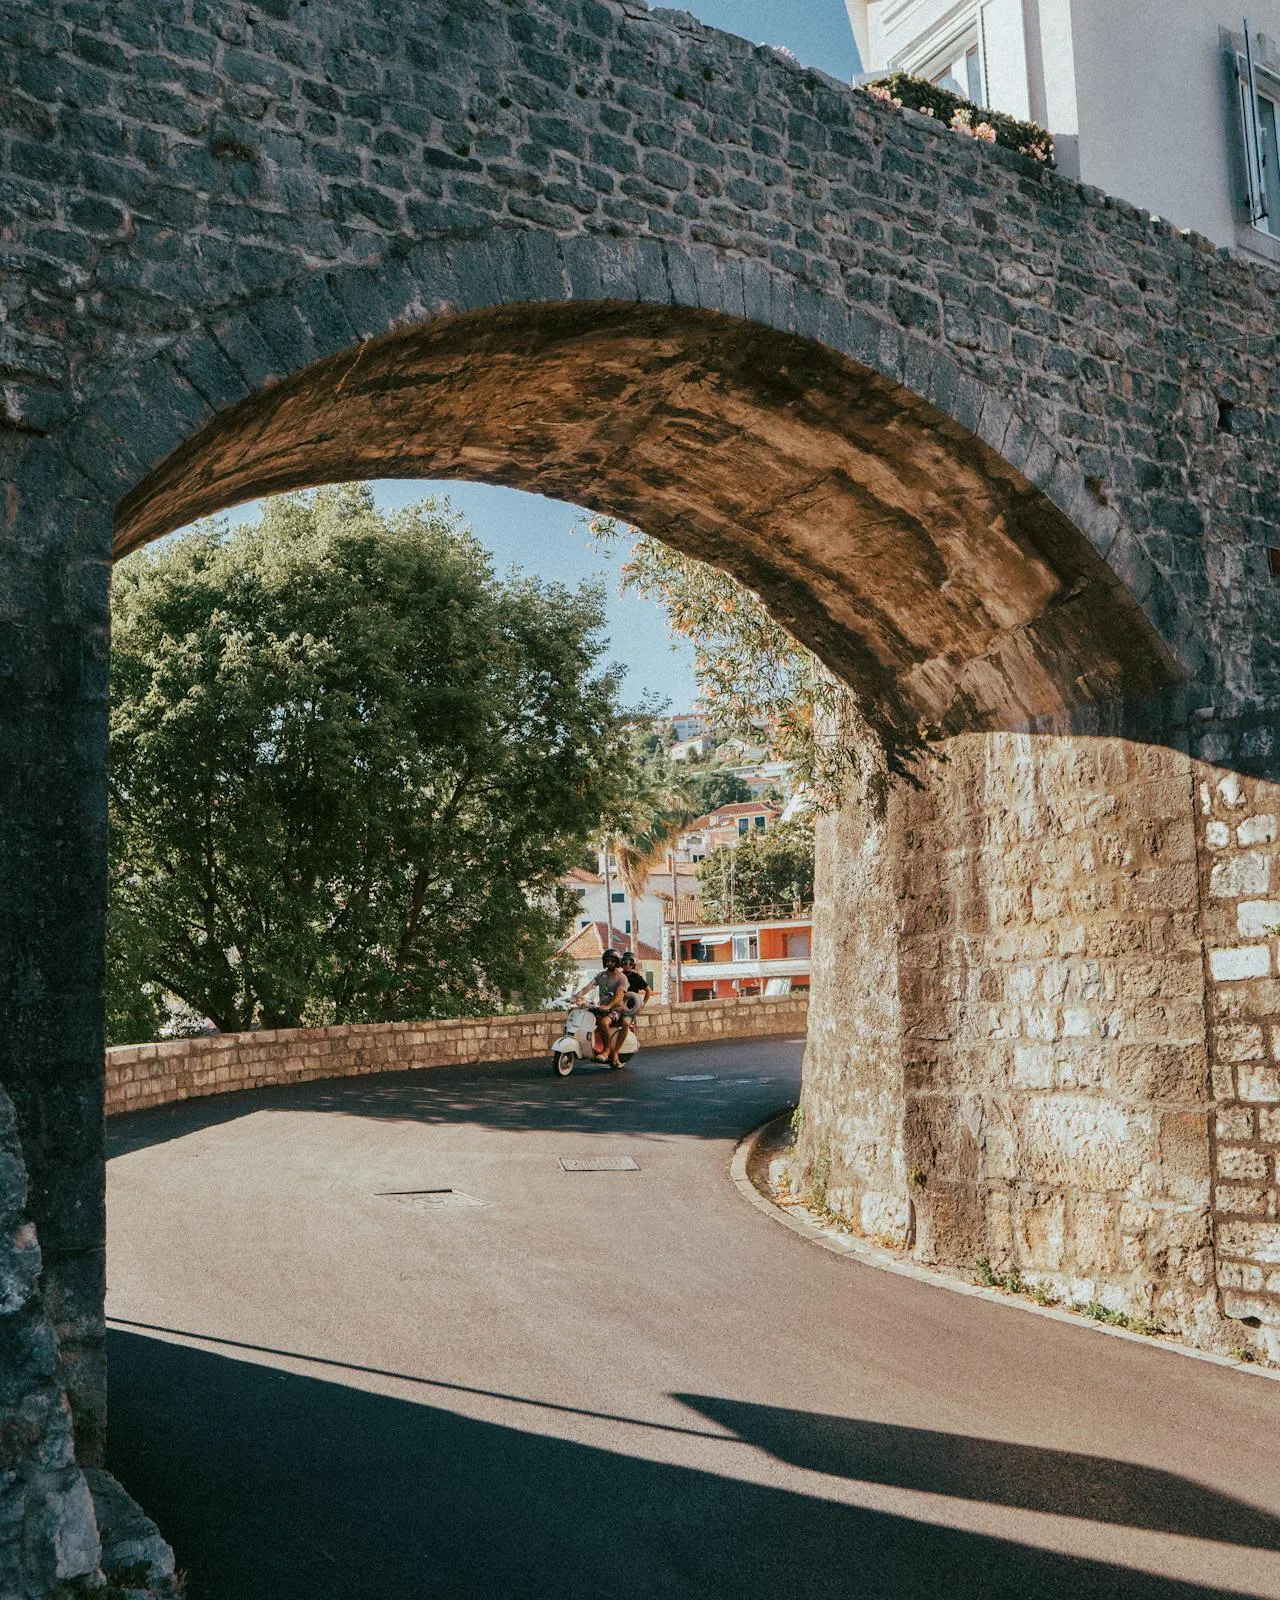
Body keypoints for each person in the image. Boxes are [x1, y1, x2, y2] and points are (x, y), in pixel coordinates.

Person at [570, 948, 628, 1061]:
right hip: (602, 1008)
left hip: (615, 1010)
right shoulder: (601, 976)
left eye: (612, 961)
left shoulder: (621, 978)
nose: (609, 963)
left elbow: (619, 996)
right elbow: (589, 986)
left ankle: (607, 1050)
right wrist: (576, 996)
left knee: (604, 1022)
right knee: (578, 1014)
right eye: (607, 961)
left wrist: (609, 1006)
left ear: (617, 962)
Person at [618, 951, 651, 1055]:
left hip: (630, 1008)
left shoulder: (636, 977)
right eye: (624, 963)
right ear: (621, 964)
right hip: (617, 1006)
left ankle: (618, 1049)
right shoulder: (618, 976)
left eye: (629, 963)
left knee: (625, 1023)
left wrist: (643, 1004)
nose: (627, 965)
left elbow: (648, 991)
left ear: (633, 965)